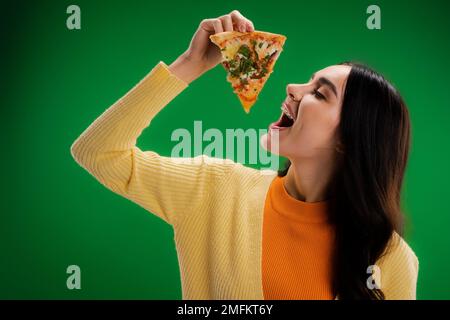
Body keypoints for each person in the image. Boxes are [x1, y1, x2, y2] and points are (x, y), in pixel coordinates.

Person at [71, 10, 419, 300]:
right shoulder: (214, 188)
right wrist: (190, 64)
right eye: (309, 80)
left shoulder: (391, 258)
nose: (293, 88)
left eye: (320, 93)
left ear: (348, 140)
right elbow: (97, 152)